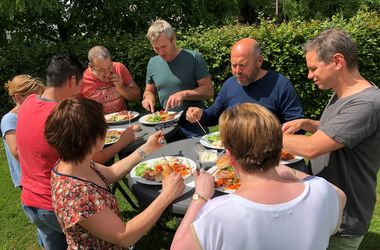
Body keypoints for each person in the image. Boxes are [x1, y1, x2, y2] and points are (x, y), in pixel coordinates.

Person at [171, 103, 346, 250]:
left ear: (229, 155)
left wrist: (199, 197)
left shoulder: (217, 213)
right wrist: (288, 171)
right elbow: (340, 195)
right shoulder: (323, 192)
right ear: (279, 149)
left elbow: (178, 247)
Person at [281, 28, 380, 249]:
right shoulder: (343, 94)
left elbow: (311, 147)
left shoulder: (366, 104)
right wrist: (309, 124)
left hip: (342, 220)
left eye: (313, 68)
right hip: (326, 207)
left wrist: (259, 133)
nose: (309, 75)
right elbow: (344, 133)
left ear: (337, 61)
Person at [45, 97, 184, 249]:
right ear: (95, 139)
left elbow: (112, 172)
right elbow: (125, 236)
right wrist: (167, 195)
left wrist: (146, 148)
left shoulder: (73, 163)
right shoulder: (77, 194)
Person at [186, 38, 304, 127]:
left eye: (242, 65)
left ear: (259, 61)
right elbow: (215, 114)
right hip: (233, 154)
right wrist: (200, 115)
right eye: (233, 65)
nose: (237, 71)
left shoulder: (280, 85)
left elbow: (297, 126)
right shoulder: (230, 84)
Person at [142, 19, 214, 138]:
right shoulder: (152, 63)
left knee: (202, 154)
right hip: (166, 123)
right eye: (156, 48)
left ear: (173, 39)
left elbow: (208, 91)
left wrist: (184, 94)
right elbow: (149, 91)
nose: (160, 52)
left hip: (193, 122)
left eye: (164, 46)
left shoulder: (194, 58)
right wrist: (148, 98)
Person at [1, 75, 45, 188]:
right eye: (33, 97)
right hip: (27, 178)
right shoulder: (10, 119)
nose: (38, 100)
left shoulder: (35, 113)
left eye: (39, 96)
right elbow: (16, 152)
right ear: (17, 97)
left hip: (40, 173)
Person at [80, 45, 141, 114]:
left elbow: (137, 98)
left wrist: (121, 88)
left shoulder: (119, 68)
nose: (107, 74)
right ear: (91, 67)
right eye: (101, 70)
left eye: (109, 67)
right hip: (96, 123)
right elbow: (75, 109)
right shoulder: (81, 79)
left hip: (122, 119)